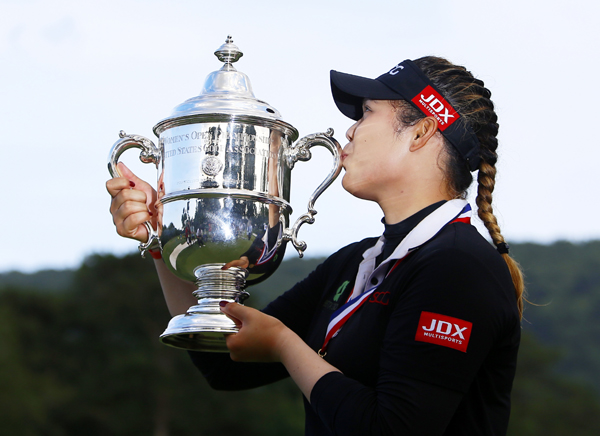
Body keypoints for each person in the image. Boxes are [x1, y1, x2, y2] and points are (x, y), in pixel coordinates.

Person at [107, 56, 524, 436]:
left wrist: (286, 346)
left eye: (367, 113)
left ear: (421, 131)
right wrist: (163, 238)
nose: (350, 129)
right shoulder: (356, 263)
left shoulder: (458, 267)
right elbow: (222, 363)